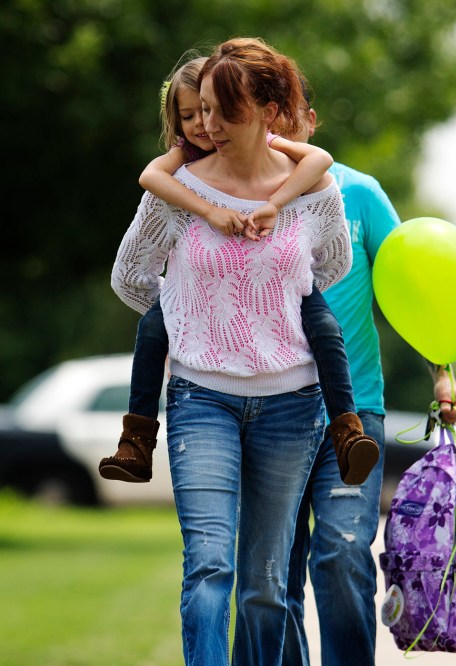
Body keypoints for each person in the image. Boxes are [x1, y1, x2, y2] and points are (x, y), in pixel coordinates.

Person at [110, 37, 353, 664]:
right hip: (199, 399)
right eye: (203, 111)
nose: (208, 125)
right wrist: (194, 316)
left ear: (269, 113)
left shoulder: (314, 191)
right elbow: (131, 276)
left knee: (268, 588)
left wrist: (263, 310)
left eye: (224, 112)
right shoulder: (177, 191)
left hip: (292, 406)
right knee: (209, 567)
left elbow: (330, 266)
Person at [99, 53, 378, 489]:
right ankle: (136, 440)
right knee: (153, 332)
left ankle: (346, 428)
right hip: (189, 298)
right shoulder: (183, 159)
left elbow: (319, 159)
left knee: (325, 328)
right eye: (190, 115)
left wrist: (275, 205)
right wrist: (209, 215)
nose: (202, 125)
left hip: (285, 286)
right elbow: (150, 178)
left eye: (212, 111)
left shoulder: (267, 145)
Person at [281, 84, 456, 666]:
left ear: (310, 122)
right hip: (268, 412)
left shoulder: (360, 195)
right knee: (274, 573)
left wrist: (442, 372)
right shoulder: (241, 198)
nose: (277, 134)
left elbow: (413, 283)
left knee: (341, 553)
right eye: (264, 120)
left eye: (288, 120)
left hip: (354, 410)